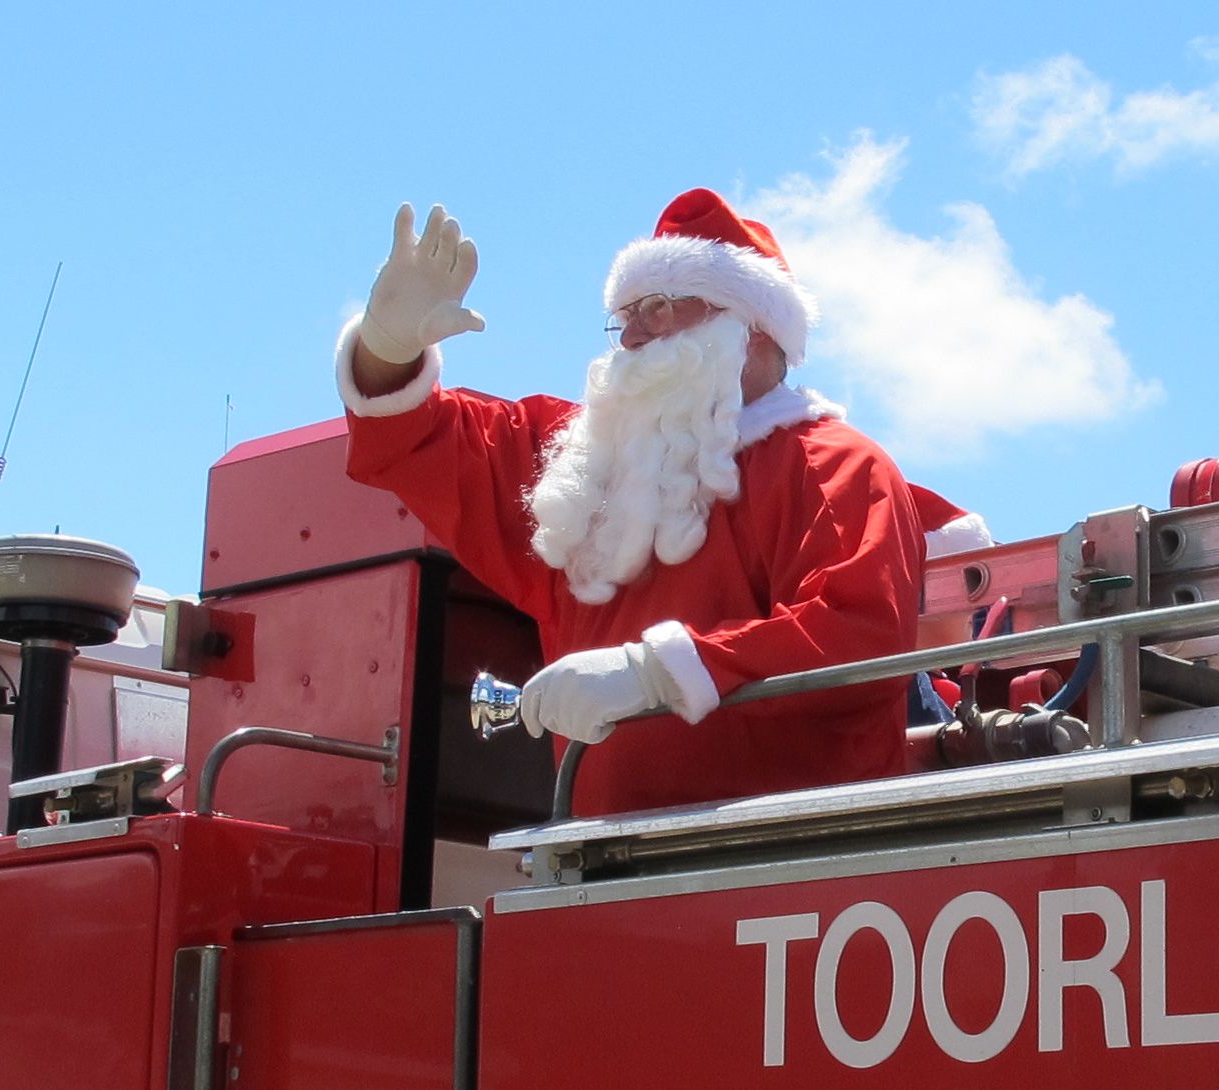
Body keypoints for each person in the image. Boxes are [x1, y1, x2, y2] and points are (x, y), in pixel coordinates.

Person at [336, 190, 980, 817]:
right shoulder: (579, 465)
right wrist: (388, 347)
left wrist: (656, 674)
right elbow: (419, 440)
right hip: (596, 873)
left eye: (662, 308)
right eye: (627, 313)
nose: (633, 336)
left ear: (749, 331)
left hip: (779, 878)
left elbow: (855, 641)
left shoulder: (833, 466)